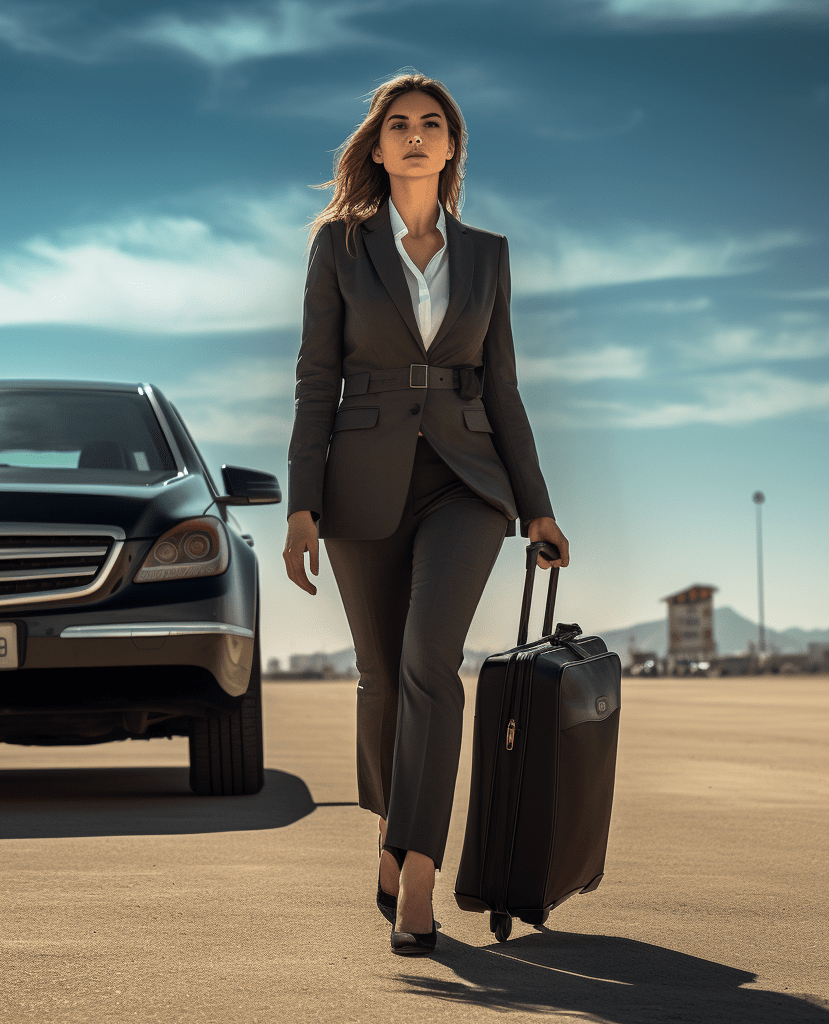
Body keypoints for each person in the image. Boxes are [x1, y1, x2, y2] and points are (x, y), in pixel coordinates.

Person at [283, 71, 568, 955]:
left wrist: (537, 507)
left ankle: (417, 871)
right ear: (377, 147)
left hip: (467, 481)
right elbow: (314, 377)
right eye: (397, 125)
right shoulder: (339, 246)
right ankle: (388, 829)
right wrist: (301, 506)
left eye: (431, 124)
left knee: (428, 664)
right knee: (379, 678)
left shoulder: (487, 254)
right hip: (361, 483)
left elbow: (506, 387)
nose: (414, 136)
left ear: (451, 148)